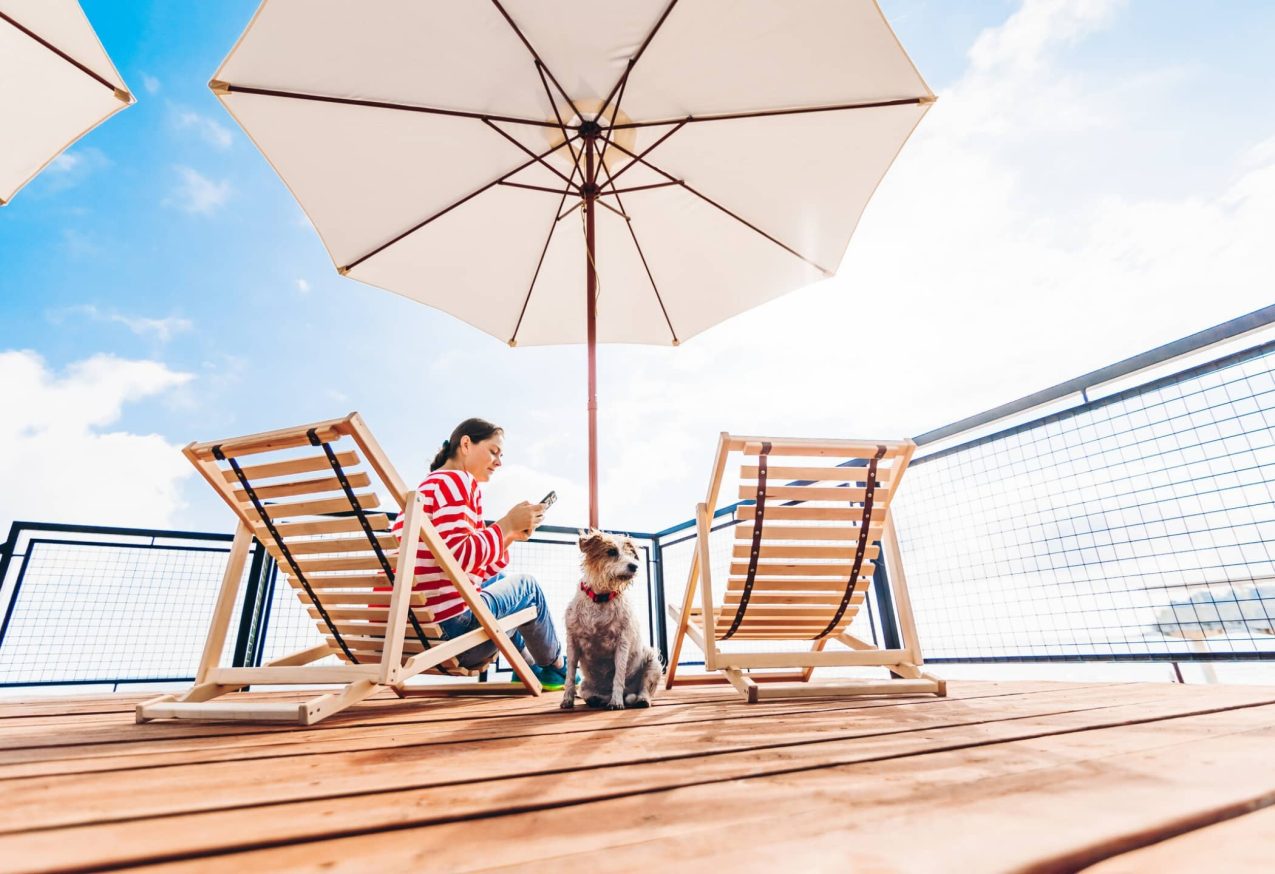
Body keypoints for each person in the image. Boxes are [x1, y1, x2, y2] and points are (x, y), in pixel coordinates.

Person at [391, 417, 572, 689]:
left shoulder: (425, 490)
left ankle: (528, 667)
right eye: (493, 451)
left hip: (410, 634)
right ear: (466, 444)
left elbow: (468, 570)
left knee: (498, 579)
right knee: (528, 588)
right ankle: (556, 667)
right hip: (452, 636)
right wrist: (506, 523)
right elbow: (461, 556)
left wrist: (508, 535)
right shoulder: (457, 482)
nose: (498, 462)